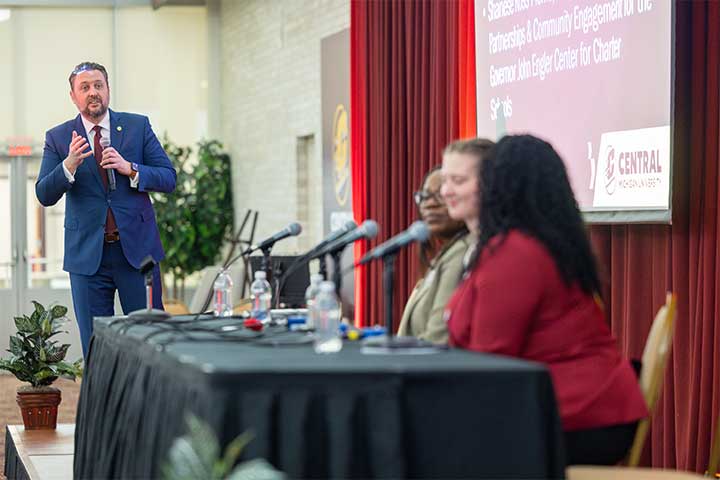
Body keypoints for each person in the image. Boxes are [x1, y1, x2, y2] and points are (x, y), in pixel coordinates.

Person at [444, 134, 648, 466]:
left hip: (577, 417)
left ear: (497, 186)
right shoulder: (538, 243)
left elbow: (491, 361)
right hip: (588, 411)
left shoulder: (515, 252)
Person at [36, 61, 176, 356]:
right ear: (73, 96)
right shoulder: (59, 138)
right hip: (88, 259)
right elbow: (44, 194)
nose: (93, 92)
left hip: (137, 255)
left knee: (152, 343)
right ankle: (103, 404)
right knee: (96, 348)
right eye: (84, 87)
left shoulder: (137, 126)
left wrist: (131, 168)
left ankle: (149, 403)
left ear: (108, 90)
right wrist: (69, 164)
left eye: (98, 85)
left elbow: (168, 177)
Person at [397, 166, 469, 344]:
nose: (429, 204)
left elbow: (437, 339)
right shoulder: (444, 255)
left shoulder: (463, 252)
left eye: (440, 196)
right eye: (425, 196)